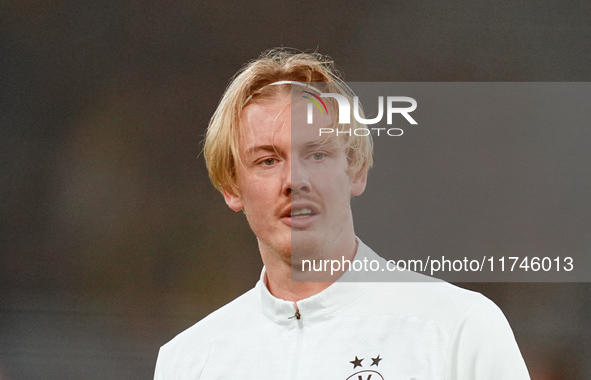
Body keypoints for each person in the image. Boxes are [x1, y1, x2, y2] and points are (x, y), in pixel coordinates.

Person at [153, 49, 531, 379]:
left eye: (317, 154)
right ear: (231, 187)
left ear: (356, 169)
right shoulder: (187, 361)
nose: (294, 180)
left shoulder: (460, 329)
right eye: (268, 160)